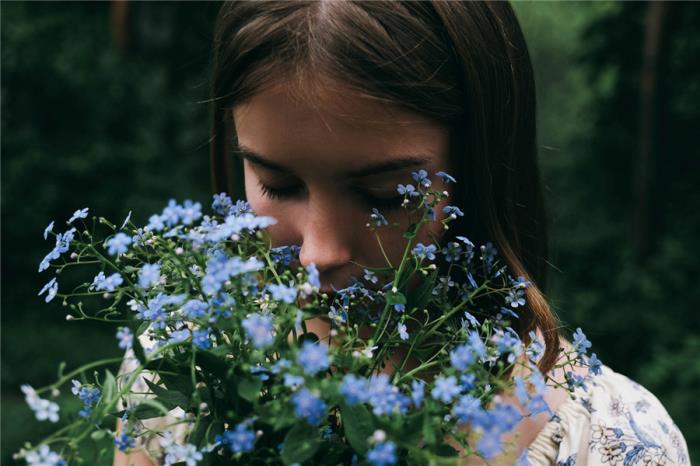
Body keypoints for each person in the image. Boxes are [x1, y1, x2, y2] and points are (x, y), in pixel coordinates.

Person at [115, 2, 690, 465]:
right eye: (278, 184)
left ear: (482, 170)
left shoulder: (616, 443)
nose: (319, 253)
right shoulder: (179, 371)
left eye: (385, 197)